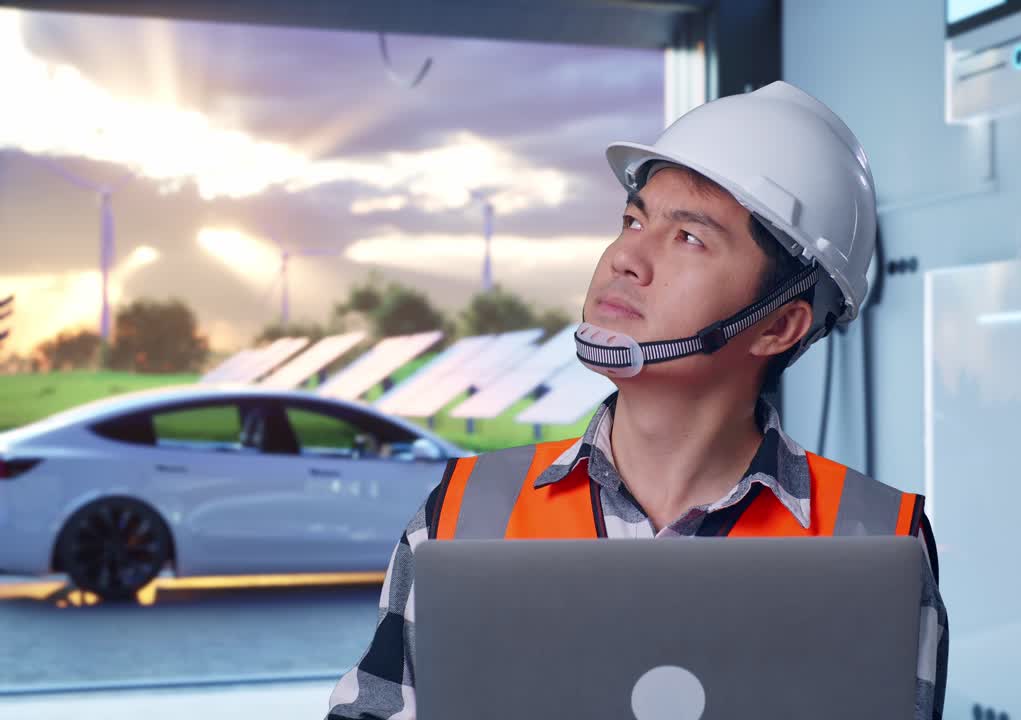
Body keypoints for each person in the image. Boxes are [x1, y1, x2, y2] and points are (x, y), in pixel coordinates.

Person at [326, 81, 948, 720]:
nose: (626, 256)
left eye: (688, 238)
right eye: (633, 219)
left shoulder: (879, 540)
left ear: (778, 326)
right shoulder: (462, 513)